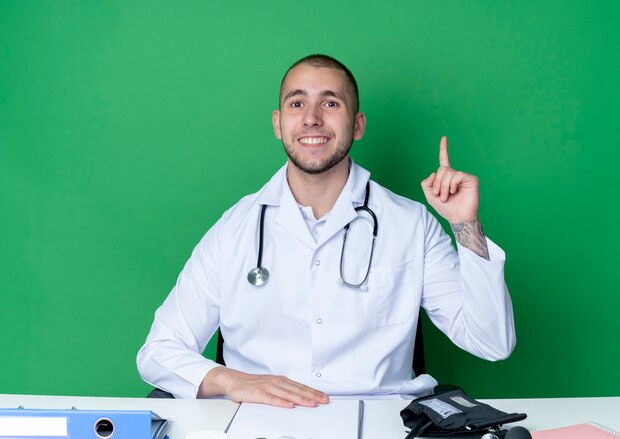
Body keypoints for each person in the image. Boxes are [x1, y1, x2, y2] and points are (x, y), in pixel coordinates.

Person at [137, 54, 516, 408]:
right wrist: (229, 380)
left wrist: (465, 225)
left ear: (358, 124)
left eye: (331, 103)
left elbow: (492, 342)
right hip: (259, 422)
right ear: (277, 123)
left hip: (381, 420)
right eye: (297, 103)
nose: (312, 118)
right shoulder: (234, 228)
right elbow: (158, 351)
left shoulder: (411, 224)